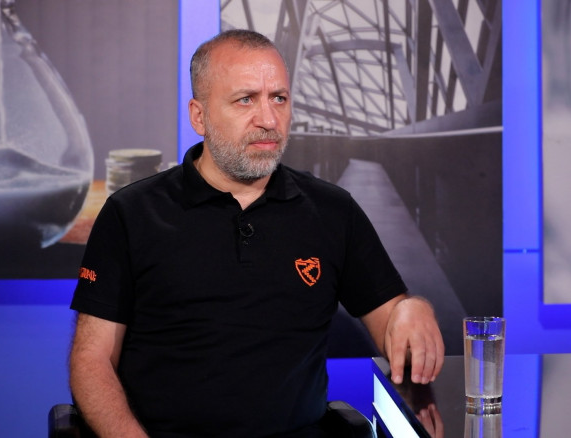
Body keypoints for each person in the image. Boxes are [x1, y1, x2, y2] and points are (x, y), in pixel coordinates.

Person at [69, 29, 444, 437]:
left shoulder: (333, 211)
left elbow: (394, 325)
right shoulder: (131, 214)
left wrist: (412, 309)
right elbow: (91, 361)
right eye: (245, 99)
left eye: (278, 98)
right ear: (199, 116)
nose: (268, 120)